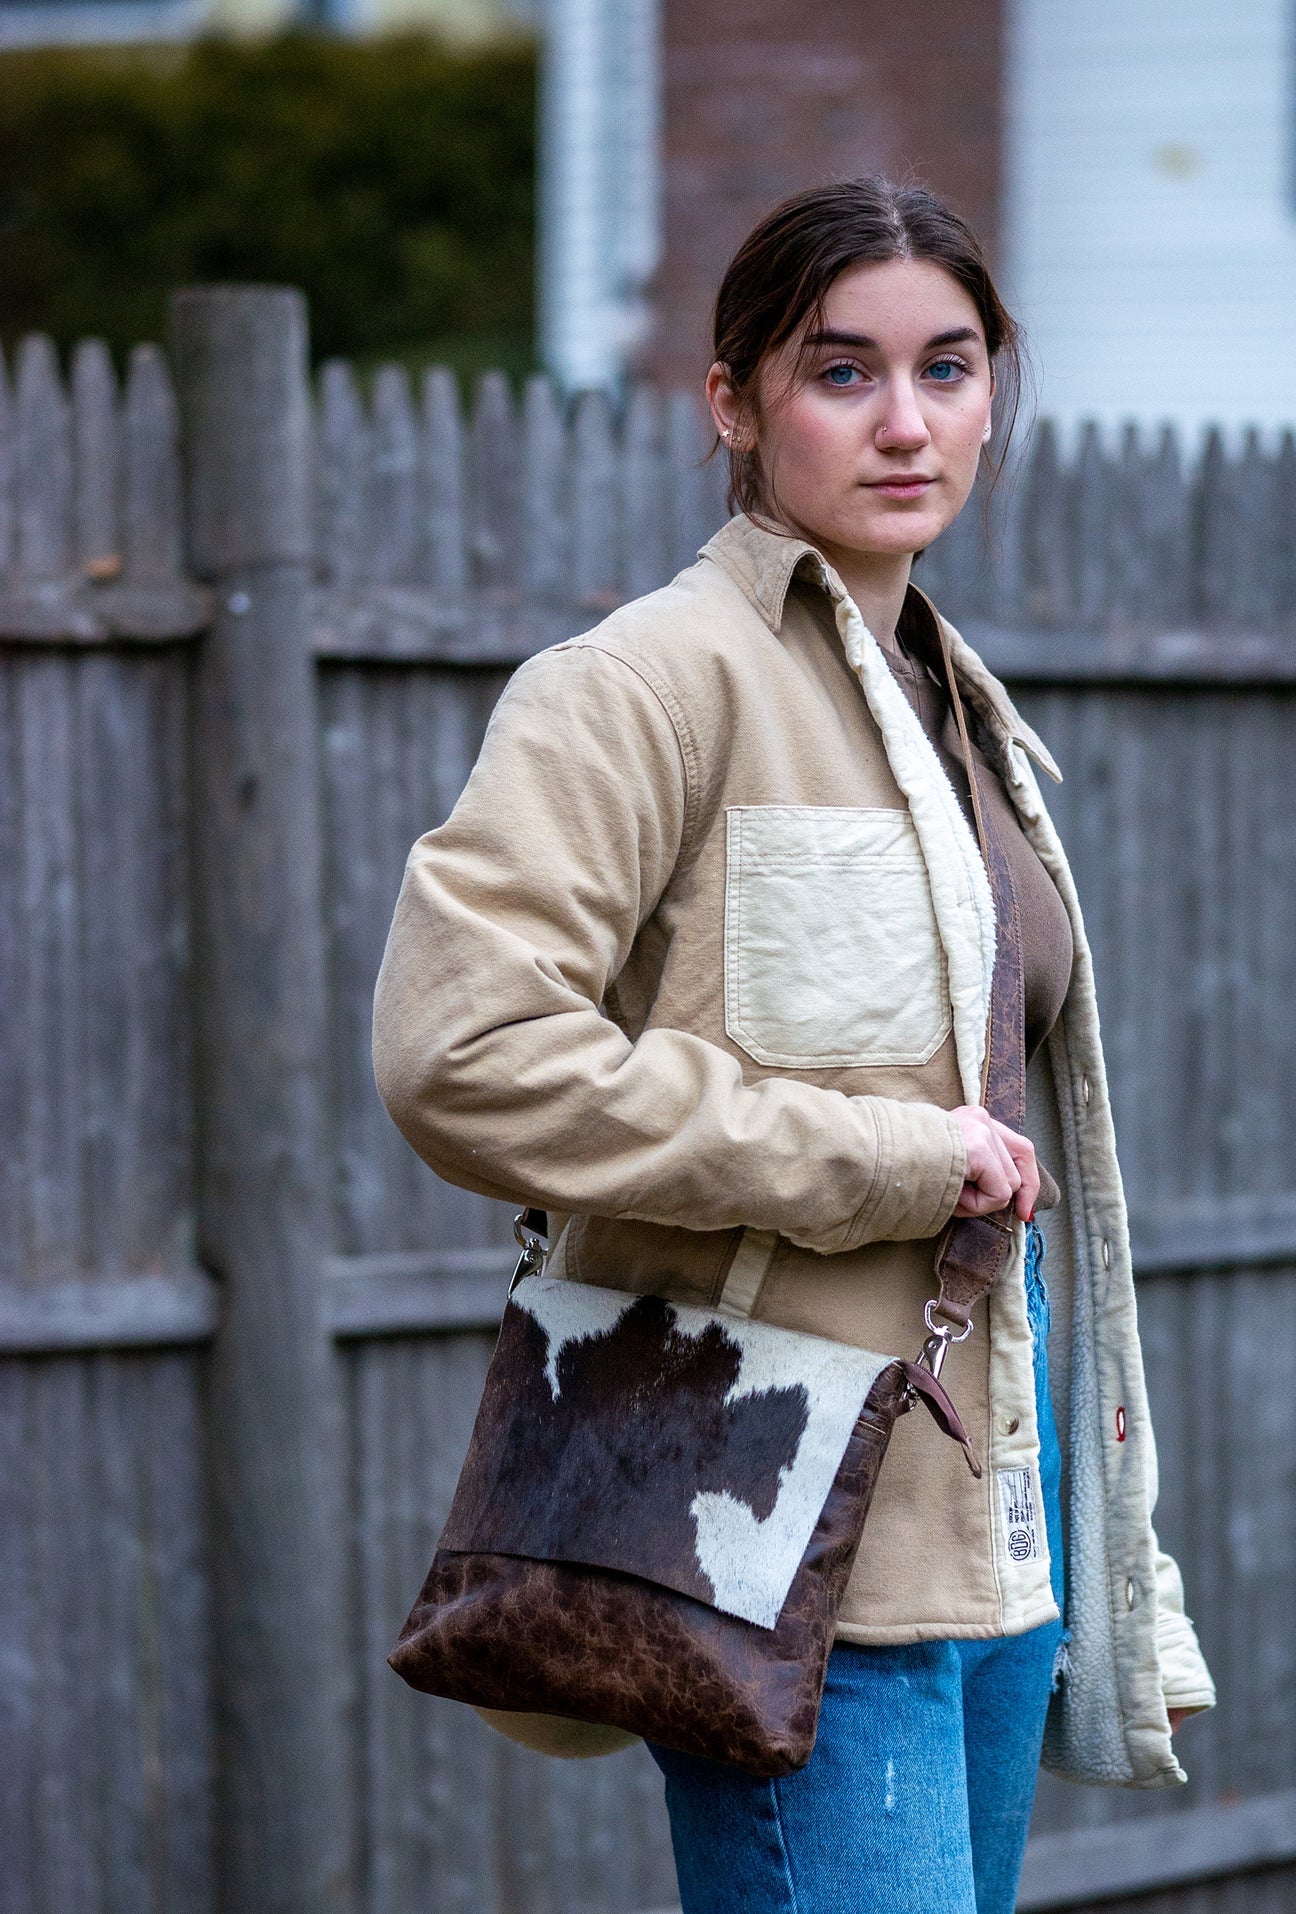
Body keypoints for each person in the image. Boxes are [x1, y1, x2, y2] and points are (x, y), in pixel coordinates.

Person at [372, 177, 1215, 1914]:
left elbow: (1026, 1147)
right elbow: (463, 1050)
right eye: (843, 372)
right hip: (782, 1540)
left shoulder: (959, 710)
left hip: (998, 1540)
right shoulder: (643, 685)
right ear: (734, 403)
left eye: (948, 368)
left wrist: (1119, 1558)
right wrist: (882, 1162)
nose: (907, 422)